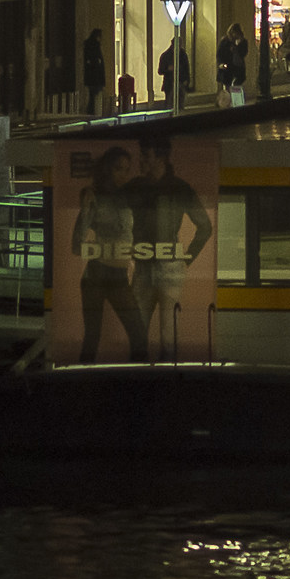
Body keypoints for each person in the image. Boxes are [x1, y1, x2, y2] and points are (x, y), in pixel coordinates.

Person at [123, 136, 213, 360]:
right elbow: (205, 227)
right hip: (166, 265)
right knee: (166, 334)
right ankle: (166, 381)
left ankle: (137, 384)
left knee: (144, 333)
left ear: (160, 158)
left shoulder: (136, 187)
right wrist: (186, 259)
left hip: (147, 266)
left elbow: (205, 227)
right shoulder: (179, 188)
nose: (141, 161)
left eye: (146, 156)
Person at [71, 146, 145, 362]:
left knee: (138, 335)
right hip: (97, 273)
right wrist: (86, 210)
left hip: (118, 275)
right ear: (107, 171)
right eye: (118, 169)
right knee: (92, 336)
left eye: (127, 169)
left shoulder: (129, 198)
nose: (124, 174)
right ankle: (84, 384)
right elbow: (76, 245)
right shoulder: (95, 198)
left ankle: (138, 387)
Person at [82, 28, 107, 115]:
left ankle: (91, 111)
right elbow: (98, 62)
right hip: (96, 77)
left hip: (91, 77)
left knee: (92, 95)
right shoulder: (95, 46)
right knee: (94, 96)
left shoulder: (88, 45)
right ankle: (92, 112)